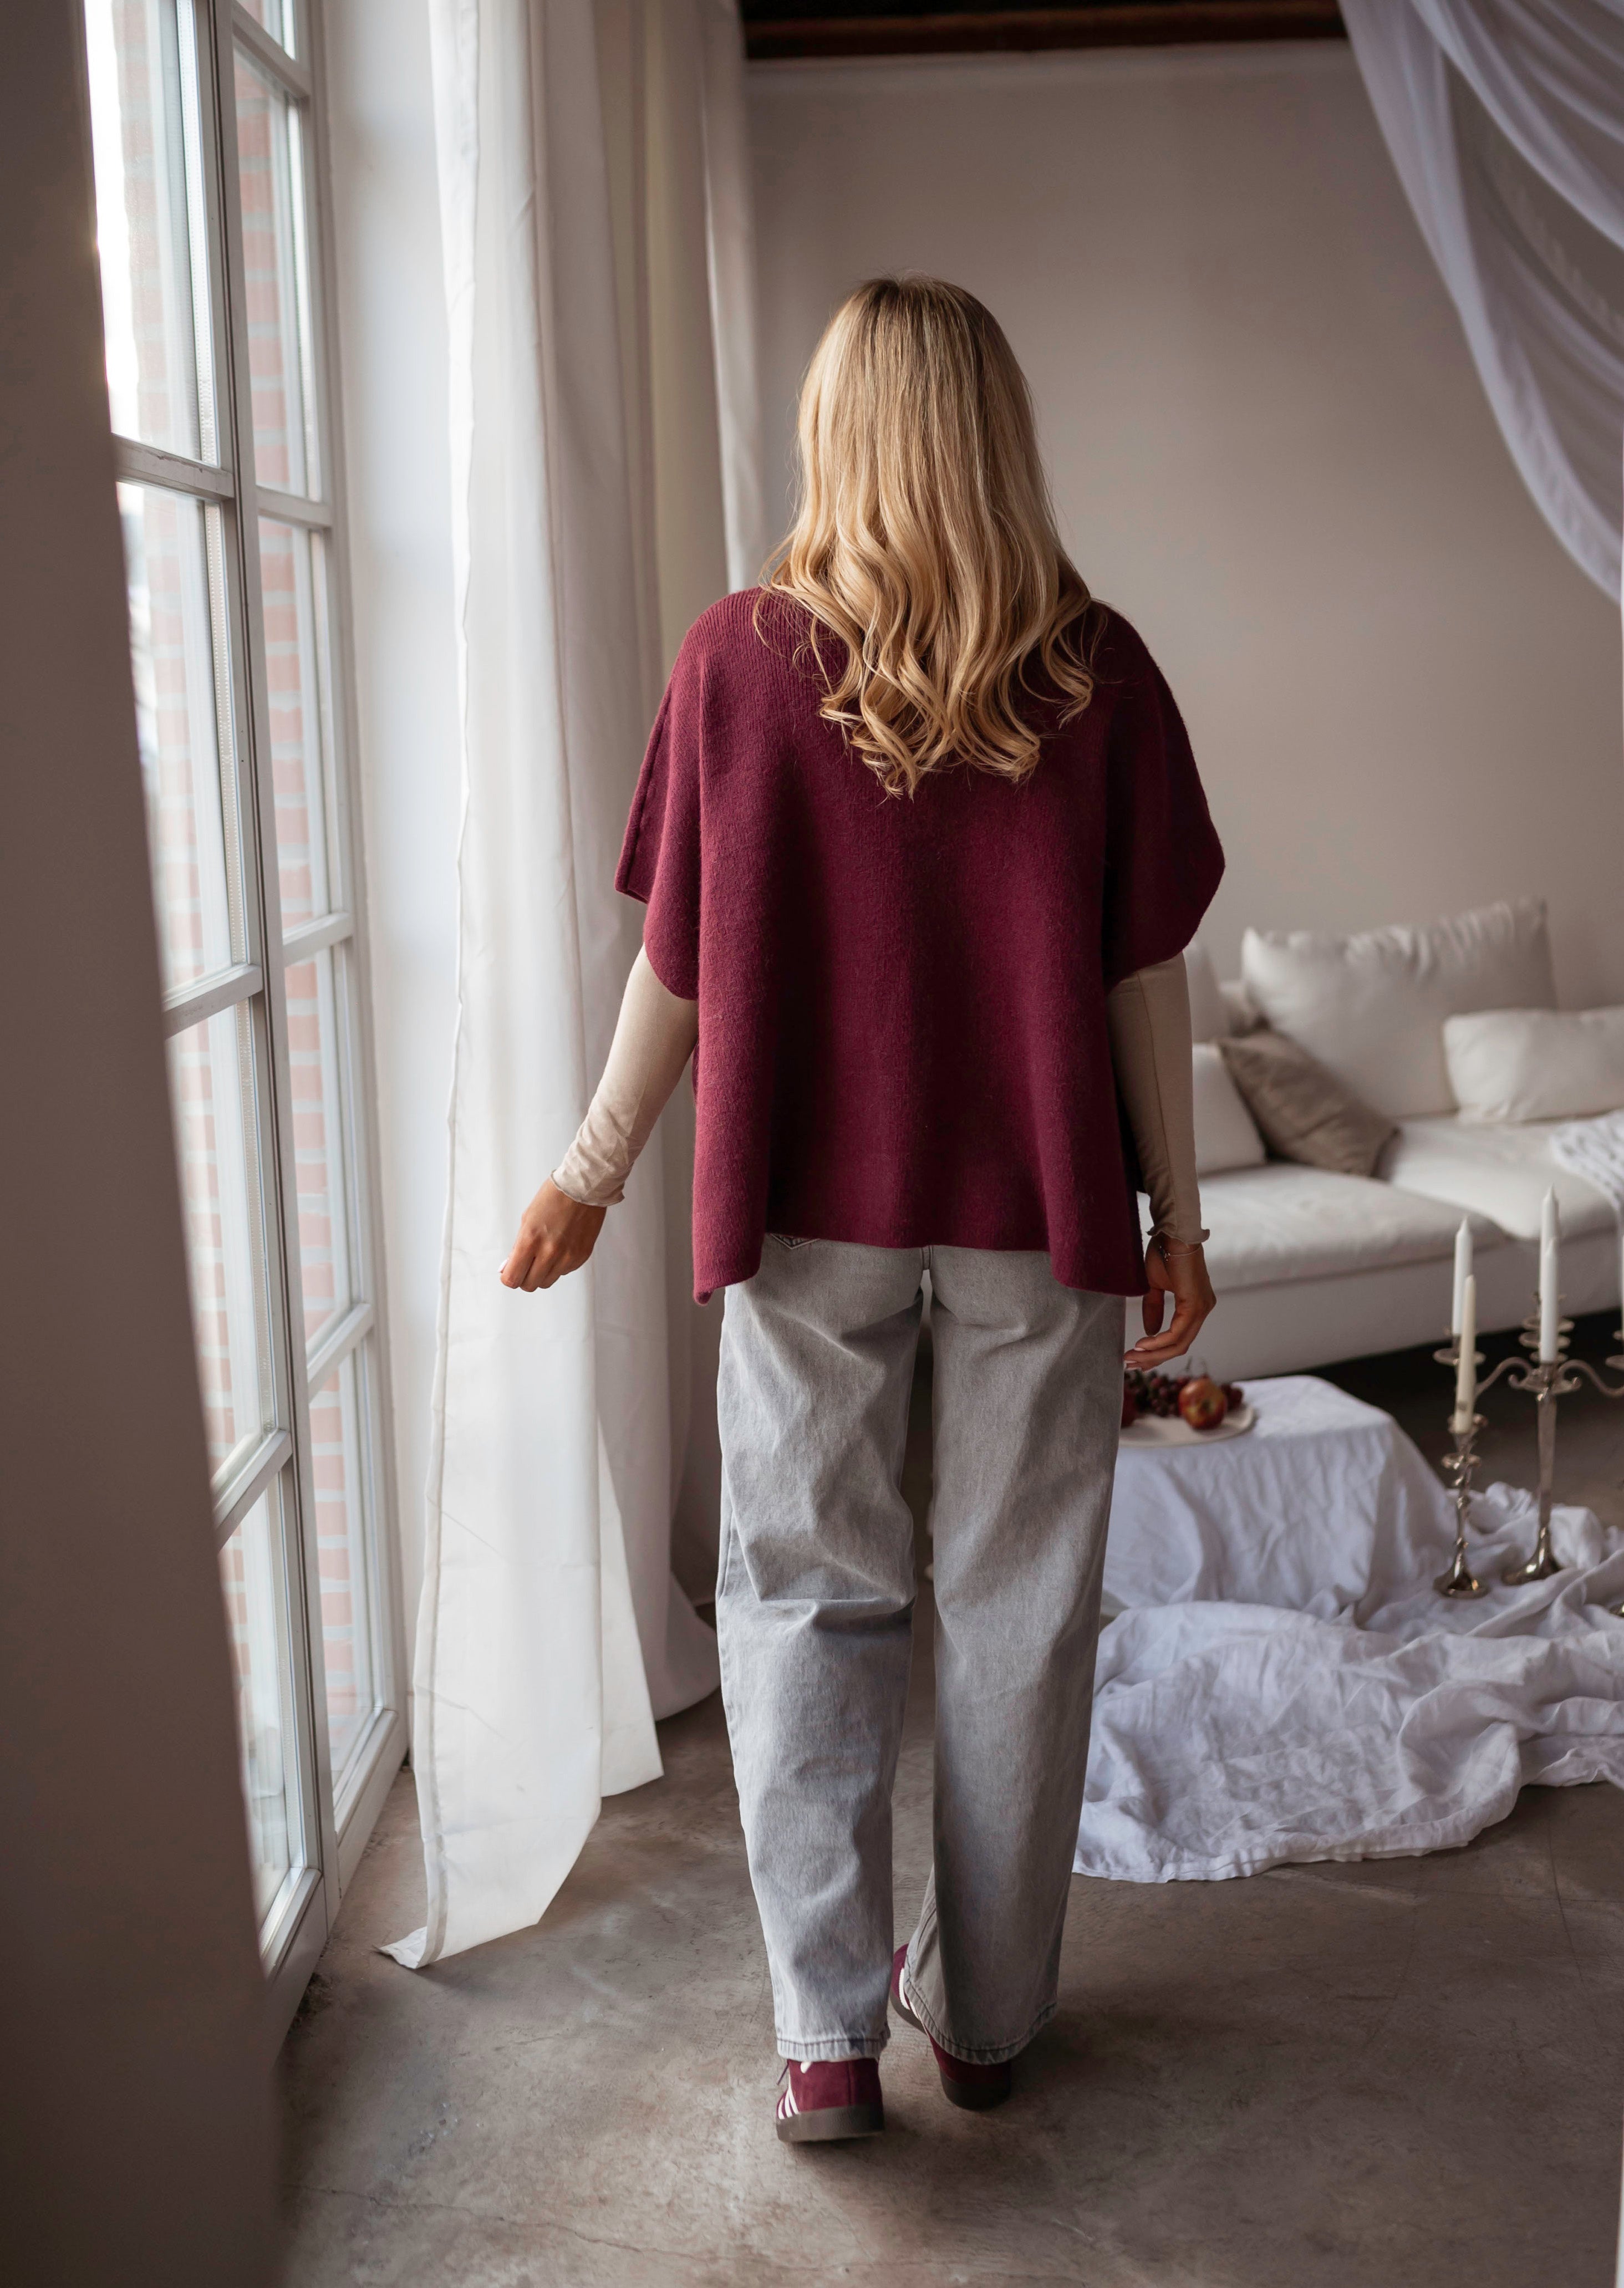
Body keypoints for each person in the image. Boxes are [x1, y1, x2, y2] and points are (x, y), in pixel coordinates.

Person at [500, 277, 1221, 2145]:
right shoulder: (1096, 668)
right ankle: (985, 2021)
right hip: (1035, 1213)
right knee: (1018, 1613)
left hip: (803, 1209)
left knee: (803, 1602)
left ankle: (826, 2039)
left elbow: (681, 960)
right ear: (996, 432)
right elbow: (1149, 973)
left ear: (838, 430)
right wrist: (1183, 1222)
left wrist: (592, 1169)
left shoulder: (733, 662)